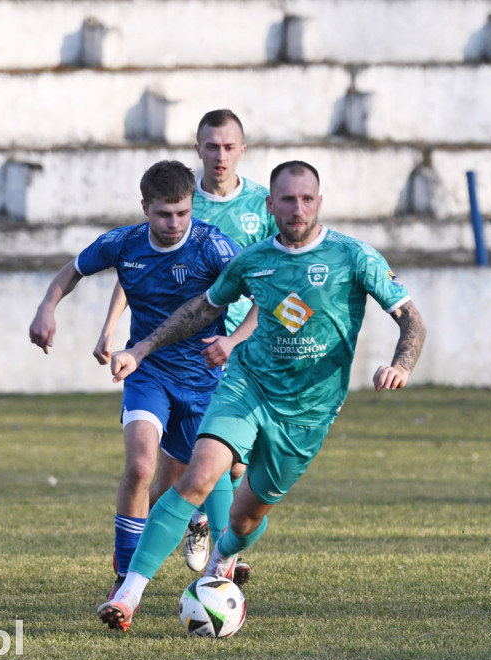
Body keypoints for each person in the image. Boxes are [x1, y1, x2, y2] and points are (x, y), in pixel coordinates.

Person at [96, 160, 427, 631]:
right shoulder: (252, 260)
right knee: (199, 475)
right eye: (288, 200)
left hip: (308, 410)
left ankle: (222, 558)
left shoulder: (354, 256)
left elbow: (411, 319)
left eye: (307, 199)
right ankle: (128, 594)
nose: (298, 209)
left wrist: (401, 365)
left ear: (319, 202)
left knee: (245, 519)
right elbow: (201, 309)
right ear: (270, 205)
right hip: (245, 386)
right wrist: (142, 347)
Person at [28, 160, 251, 621]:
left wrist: (232, 341)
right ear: (145, 207)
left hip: (205, 380)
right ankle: (125, 577)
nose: (174, 223)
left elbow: (262, 298)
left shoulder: (213, 246)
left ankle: (219, 560)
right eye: (164, 214)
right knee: (141, 465)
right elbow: (71, 271)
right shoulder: (123, 243)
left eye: (182, 213)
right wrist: (47, 308)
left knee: (203, 480)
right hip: (147, 372)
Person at [92, 109, 276, 574]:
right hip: (185, 349)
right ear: (198, 149)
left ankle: (215, 544)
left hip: (244, 342)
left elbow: (276, 272)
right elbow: (139, 272)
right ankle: (170, 537)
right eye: (211, 146)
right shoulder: (179, 199)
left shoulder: (264, 204)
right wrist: (111, 327)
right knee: (178, 469)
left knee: (232, 463)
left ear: (242, 150)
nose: (220, 156)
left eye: (229, 146)